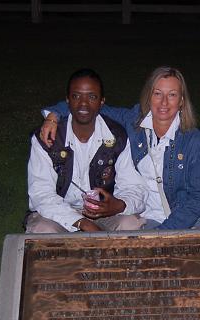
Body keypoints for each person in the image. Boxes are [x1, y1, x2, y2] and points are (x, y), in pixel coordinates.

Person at [40, 66, 200, 230]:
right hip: (147, 217)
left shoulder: (195, 141)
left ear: (181, 100)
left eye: (172, 95)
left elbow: (198, 197)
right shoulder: (133, 122)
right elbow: (89, 105)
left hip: (189, 216)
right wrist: (53, 116)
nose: (164, 102)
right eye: (158, 93)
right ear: (149, 97)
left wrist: (166, 231)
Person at [26, 69, 148, 233]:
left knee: (130, 224)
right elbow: (41, 194)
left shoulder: (117, 136)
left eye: (92, 97)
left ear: (101, 102)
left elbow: (133, 186)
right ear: (67, 100)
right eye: (76, 96)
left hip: (102, 213)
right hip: (58, 211)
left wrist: (118, 205)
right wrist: (82, 223)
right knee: (43, 230)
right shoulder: (48, 138)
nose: (83, 104)